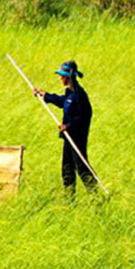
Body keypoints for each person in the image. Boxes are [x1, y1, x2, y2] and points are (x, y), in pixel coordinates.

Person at [32, 59, 95, 192]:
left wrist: (69, 126)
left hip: (77, 138)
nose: (60, 78)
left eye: (62, 75)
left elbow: (84, 116)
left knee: (81, 168)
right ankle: (69, 199)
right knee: (67, 169)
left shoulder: (80, 95)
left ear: (68, 77)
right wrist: (46, 96)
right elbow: (63, 102)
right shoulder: (69, 94)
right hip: (68, 138)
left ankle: (95, 196)